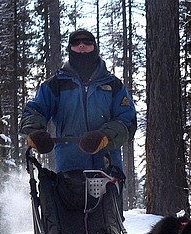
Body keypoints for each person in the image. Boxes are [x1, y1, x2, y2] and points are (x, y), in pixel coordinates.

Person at [21, 29, 137, 175]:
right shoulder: (56, 85)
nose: (82, 45)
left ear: (95, 47)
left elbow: (128, 120)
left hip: (108, 168)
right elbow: (34, 110)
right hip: (69, 168)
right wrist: (35, 132)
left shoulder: (113, 85)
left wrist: (104, 137)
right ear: (70, 48)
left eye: (87, 42)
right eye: (76, 42)